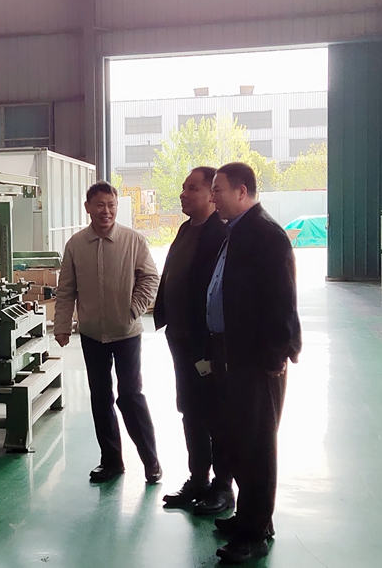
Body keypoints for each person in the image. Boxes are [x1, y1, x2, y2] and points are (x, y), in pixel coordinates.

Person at [205, 162, 302, 564]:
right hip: (236, 355)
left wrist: (276, 355)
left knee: (258, 447)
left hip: (259, 361)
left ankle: (254, 534)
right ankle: (251, 518)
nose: (213, 197)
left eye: (218, 190)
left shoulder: (265, 234)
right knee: (242, 441)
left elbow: (282, 300)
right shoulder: (238, 231)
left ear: (241, 191)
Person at [54, 181, 161, 484]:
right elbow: (66, 289)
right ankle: (111, 461)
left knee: (131, 396)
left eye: (111, 205)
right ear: (88, 207)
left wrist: (133, 310)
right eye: (100, 205)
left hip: (127, 333)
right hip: (92, 334)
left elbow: (151, 278)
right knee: (100, 397)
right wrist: (62, 325)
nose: (106, 211)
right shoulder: (76, 245)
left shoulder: (133, 240)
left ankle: (151, 461)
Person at [153, 167, 233, 514]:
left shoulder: (221, 234)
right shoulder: (186, 229)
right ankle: (198, 478)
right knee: (190, 410)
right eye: (183, 188)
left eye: (192, 188)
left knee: (216, 414)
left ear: (211, 194)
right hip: (181, 338)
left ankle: (223, 486)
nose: (183, 194)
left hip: (207, 343)